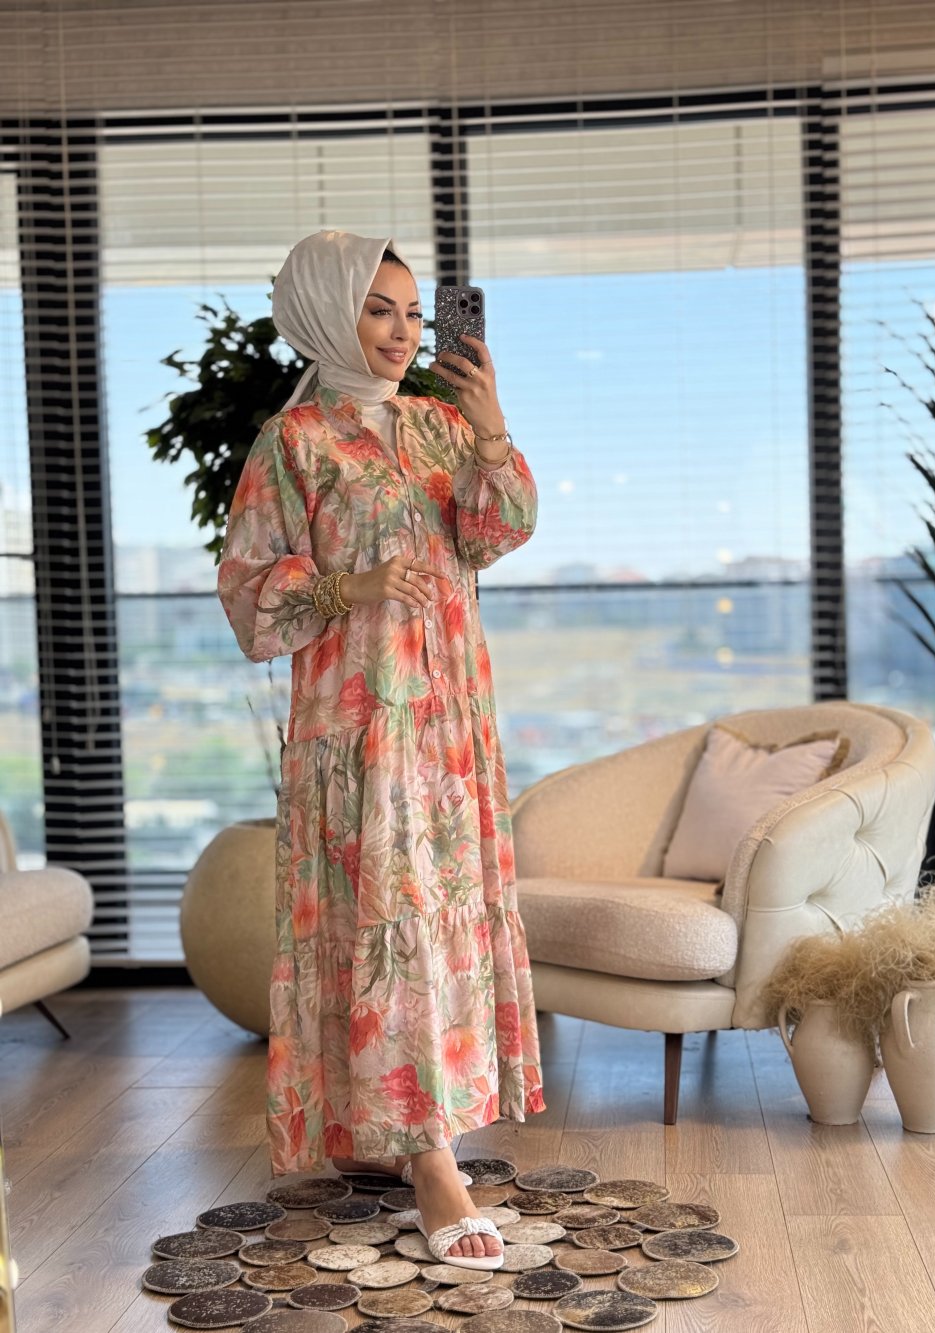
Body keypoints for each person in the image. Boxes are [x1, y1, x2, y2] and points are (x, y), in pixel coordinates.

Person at [217, 230, 545, 1268]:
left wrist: (489, 430)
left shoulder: (440, 425)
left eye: (412, 312)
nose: (403, 332)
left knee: (437, 923)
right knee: (385, 925)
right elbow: (248, 594)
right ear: (327, 313)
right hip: (357, 729)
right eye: (378, 309)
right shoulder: (294, 442)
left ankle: (400, 1131)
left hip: (450, 720)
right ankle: (432, 1161)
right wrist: (344, 586)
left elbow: (497, 533)